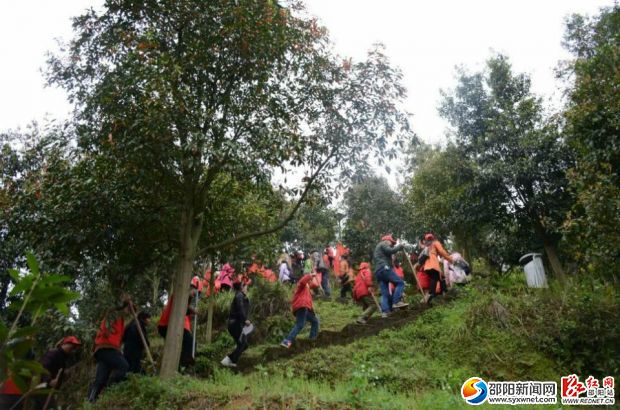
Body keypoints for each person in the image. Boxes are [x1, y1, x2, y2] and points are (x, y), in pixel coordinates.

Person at [88, 301, 131, 402]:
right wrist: (125, 300)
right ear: (122, 307)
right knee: (123, 366)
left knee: (101, 377)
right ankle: (109, 390)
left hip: (104, 350)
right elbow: (114, 305)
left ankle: (91, 399)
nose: (129, 312)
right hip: (106, 347)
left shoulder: (121, 321)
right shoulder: (113, 314)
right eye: (128, 309)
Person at [32, 336, 82, 409]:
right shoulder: (53, 353)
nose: (73, 348)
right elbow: (43, 367)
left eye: (75, 347)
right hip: (43, 388)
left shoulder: (63, 357)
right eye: (72, 345)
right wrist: (49, 380)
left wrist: (64, 374)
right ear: (64, 344)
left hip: (46, 389)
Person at [157, 288, 197, 368]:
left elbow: (185, 309)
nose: (193, 295)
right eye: (192, 292)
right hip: (167, 325)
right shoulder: (178, 295)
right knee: (190, 341)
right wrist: (192, 307)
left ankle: (180, 365)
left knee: (182, 344)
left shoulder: (184, 312)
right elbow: (183, 304)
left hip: (169, 325)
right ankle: (184, 363)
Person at [280, 272, 320, 348]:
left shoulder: (307, 288)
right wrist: (310, 275)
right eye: (310, 280)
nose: (311, 281)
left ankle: (312, 339)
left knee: (315, 321)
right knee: (300, 325)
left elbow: (315, 285)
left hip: (306, 308)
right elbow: (303, 281)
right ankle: (286, 342)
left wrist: (314, 277)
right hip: (301, 306)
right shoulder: (301, 285)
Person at [373, 234, 409, 317]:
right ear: (387, 240)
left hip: (378, 272)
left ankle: (385, 312)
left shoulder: (378, 249)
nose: (392, 245)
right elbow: (390, 251)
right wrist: (399, 246)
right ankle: (396, 302)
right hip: (384, 268)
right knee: (400, 283)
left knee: (385, 294)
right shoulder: (383, 244)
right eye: (392, 243)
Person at [221, 280, 251, 367]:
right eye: (245, 286)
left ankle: (228, 360)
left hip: (236, 323)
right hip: (235, 323)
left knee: (243, 345)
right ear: (242, 287)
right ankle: (232, 362)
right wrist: (245, 320)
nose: (246, 288)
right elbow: (240, 308)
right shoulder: (239, 295)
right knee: (242, 343)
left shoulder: (241, 296)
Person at [421, 233, 454, 304]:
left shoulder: (427, 246)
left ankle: (444, 293)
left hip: (427, 266)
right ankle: (430, 295)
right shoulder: (435, 243)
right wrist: (450, 259)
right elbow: (442, 252)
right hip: (433, 265)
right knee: (435, 279)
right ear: (433, 238)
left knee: (441, 278)